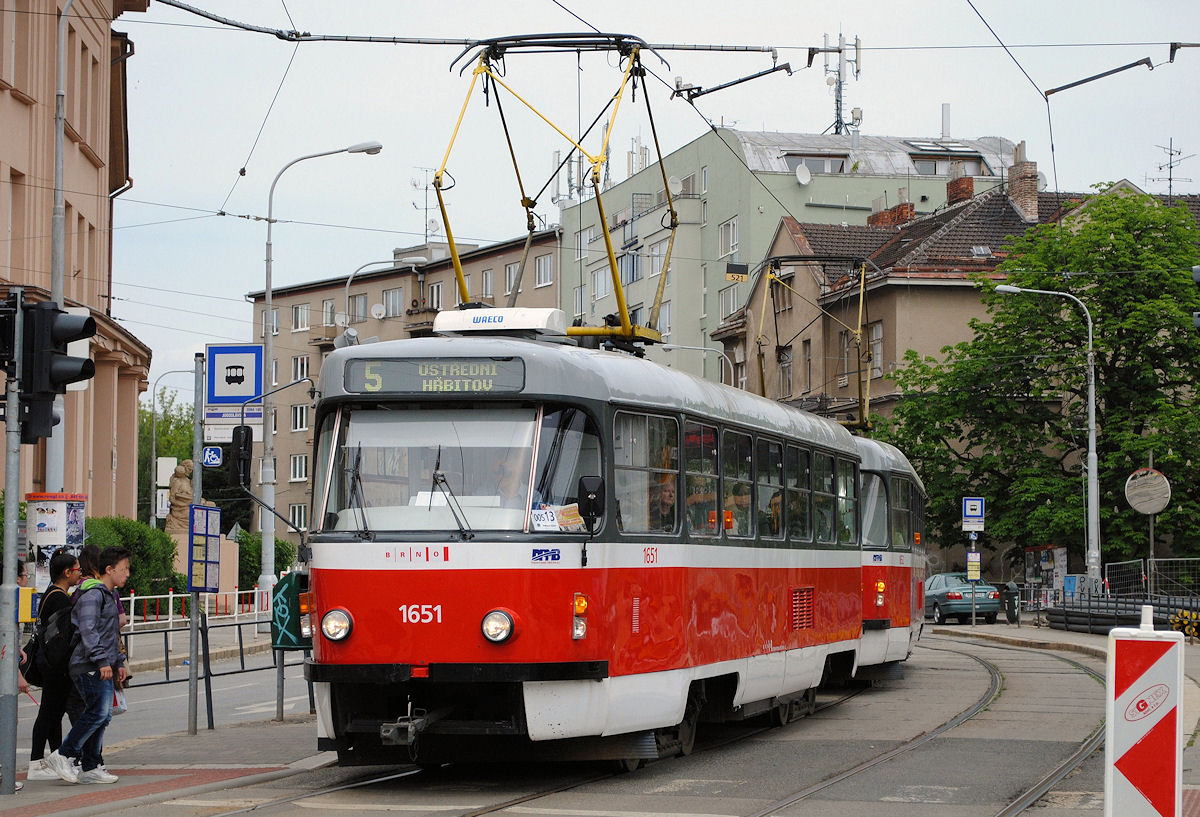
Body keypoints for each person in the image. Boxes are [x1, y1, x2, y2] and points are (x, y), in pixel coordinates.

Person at [45, 546, 132, 785]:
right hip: (88, 664)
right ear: (109, 569)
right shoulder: (93, 594)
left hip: (100, 664)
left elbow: (109, 634)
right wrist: (104, 661)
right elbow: (88, 631)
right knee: (96, 713)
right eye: (123, 569)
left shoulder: (107, 595)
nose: (127, 574)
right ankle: (64, 755)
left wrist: (118, 663)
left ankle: (91, 766)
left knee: (102, 716)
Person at [26, 550, 84, 781]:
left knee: (53, 713)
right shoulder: (59, 598)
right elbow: (65, 636)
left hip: (50, 663)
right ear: (67, 572)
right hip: (56, 665)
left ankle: (54, 758)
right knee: (48, 714)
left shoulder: (51, 594)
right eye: (78, 569)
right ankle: (36, 762)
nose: (80, 573)